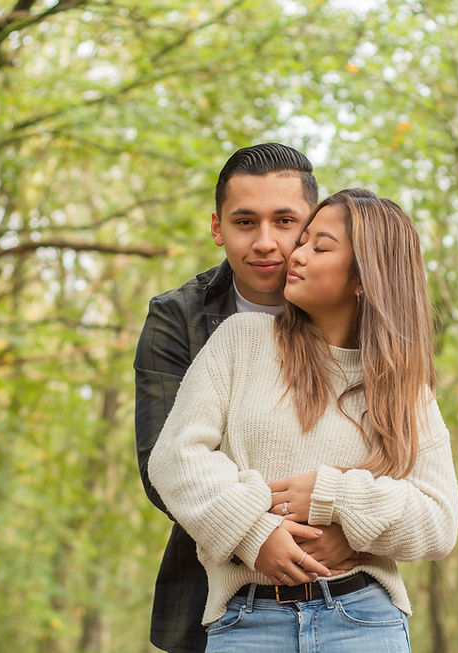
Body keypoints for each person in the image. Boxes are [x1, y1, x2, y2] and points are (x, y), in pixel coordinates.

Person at [149, 189, 458, 652]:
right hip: (248, 620)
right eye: (305, 240)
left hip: (364, 620)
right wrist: (255, 534)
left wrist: (333, 496)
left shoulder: (404, 385)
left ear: (364, 276)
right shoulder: (241, 341)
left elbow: (438, 520)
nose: (297, 253)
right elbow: (175, 459)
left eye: (321, 246)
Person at [135, 144, 365, 653]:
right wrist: (254, 535)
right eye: (245, 222)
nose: (266, 242)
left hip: (350, 595)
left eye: (286, 221)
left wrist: (355, 528)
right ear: (218, 228)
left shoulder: (356, 316)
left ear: (313, 225)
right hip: (215, 592)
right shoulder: (177, 318)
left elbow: (399, 461)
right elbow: (164, 459)